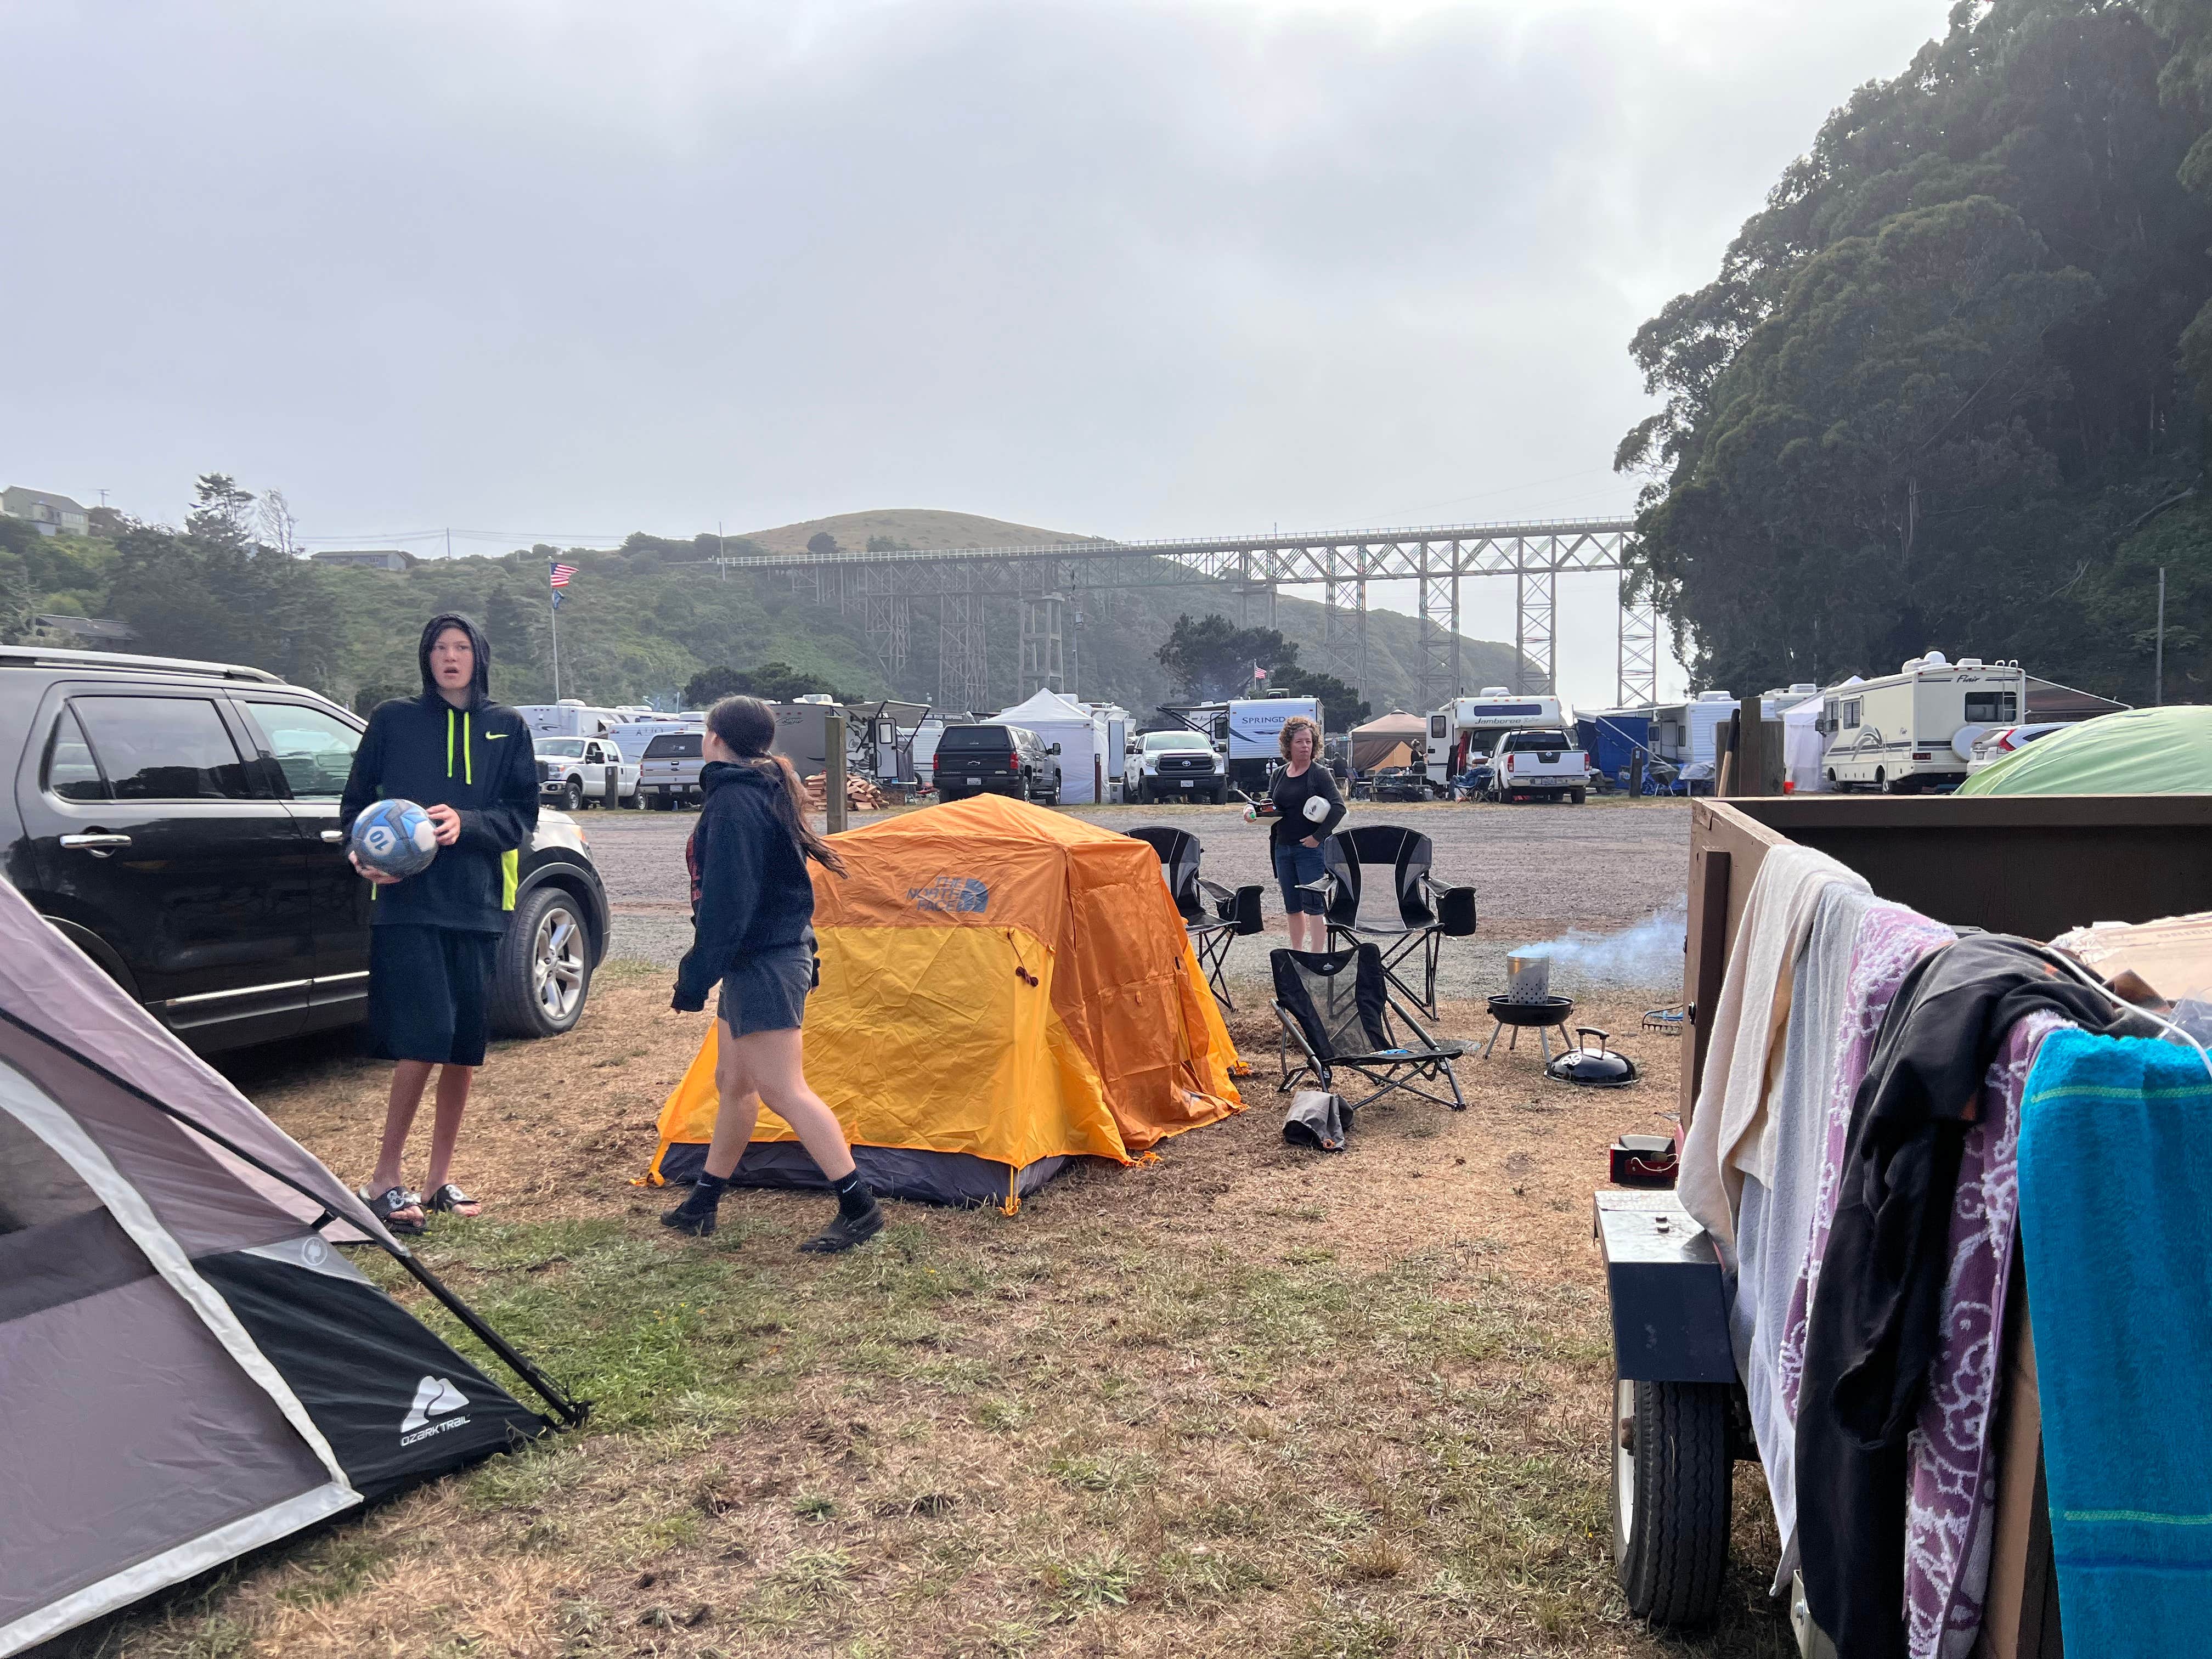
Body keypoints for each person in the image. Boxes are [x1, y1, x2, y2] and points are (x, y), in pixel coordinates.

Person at [661, 695, 884, 1253]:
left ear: (715, 738)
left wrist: (694, 978)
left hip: (763, 959)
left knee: (785, 1090)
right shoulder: (757, 789)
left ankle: (860, 1207)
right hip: (758, 957)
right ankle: (704, 1202)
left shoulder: (736, 802)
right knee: (734, 1085)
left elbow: (728, 904)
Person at [340, 613, 539, 1234]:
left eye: (461, 648)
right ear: (425, 658)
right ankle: (384, 1179)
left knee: (461, 1050)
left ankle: (436, 1182)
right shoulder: (393, 721)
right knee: (424, 1039)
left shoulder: (507, 727)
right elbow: (354, 806)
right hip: (409, 905)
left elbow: (521, 818)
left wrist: (468, 825)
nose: (450, 657)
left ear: (480, 656)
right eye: (439, 648)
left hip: (477, 904)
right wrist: (359, 855)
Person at [1266, 713, 1345, 953]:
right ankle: (1297, 953)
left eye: (1309, 742)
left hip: (1309, 851)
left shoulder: (1319, 773)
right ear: (1288, 744)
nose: (1305, 746)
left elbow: (1339, 808)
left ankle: (1316, 956)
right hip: (1282, 848)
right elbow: (1272, 806)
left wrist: (1318, 837)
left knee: (1314, 906)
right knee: (1292, 906)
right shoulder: (1278, 774)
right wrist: (1255, 811)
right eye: (1300, 742)